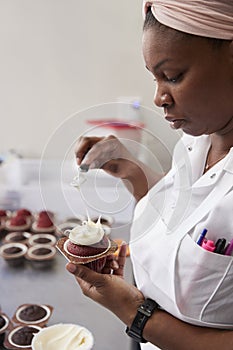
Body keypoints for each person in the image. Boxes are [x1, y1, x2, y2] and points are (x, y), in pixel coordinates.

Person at [66, 1, 233, 349]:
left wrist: (134, 313)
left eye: (172, 76)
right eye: (154, 77)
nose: (158, 97)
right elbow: (184, 217)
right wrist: (129, 167)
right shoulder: (196, 141)